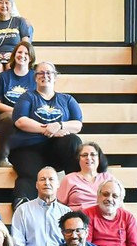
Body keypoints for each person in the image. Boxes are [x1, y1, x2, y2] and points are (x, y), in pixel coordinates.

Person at [9, 62, 83, 202]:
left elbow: (77, 125)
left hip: (56, 151)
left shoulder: (67, 99)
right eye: (41, 73)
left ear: (55, 77)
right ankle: (21, 205)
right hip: (28, 149)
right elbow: (20, 121)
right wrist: (49, 130)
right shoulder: (27, 97)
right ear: (35, 78)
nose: (45, 76)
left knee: (73, 141)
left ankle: (76, 194)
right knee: (31, 176)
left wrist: (59, 125)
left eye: (49, 73)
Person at [11, 167, 67, 246]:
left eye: (51, 179)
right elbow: (17, 242)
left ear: (58, 184)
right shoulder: (23, 210)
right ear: (36, 185)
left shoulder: (66, 213)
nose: (47, 183)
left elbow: (69, 243)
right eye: (42, 179)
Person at [0, 40, 36, 166]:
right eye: (19, 52)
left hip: (27, 118)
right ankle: (3, 159)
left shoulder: (35, 78)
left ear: (31, 57)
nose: (22, 55)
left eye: (26, 53)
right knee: (10, 118)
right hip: (2, 119)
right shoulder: (3, 77)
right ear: (14, 55)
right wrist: (17, 112)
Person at [56, 141, 117, 212]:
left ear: (99, 158)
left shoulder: (108, 178)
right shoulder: (69, 179)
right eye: (84, 155)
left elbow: (119, 204)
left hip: (103, 219)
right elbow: (59, 207)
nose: (88, 158)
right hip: (78, 219)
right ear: (78, 159)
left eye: (93, 154)